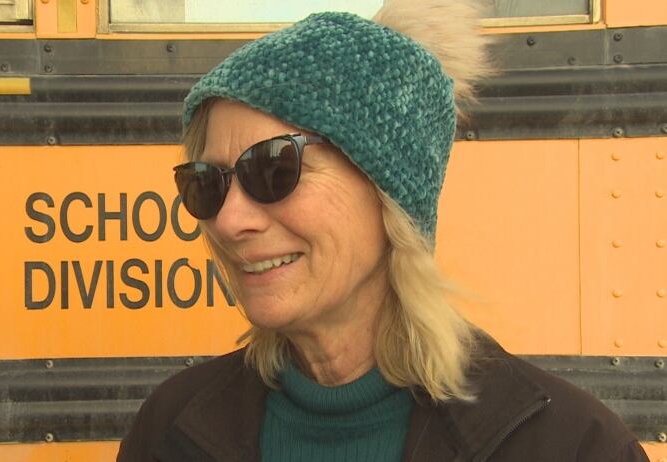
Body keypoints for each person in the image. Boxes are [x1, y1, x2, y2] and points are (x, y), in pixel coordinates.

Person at [118, 1, 649, 460]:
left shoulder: (573, 448)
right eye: (206, 184)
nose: (229, 221)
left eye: (273, 168)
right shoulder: (167, 435)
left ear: (388, 193)